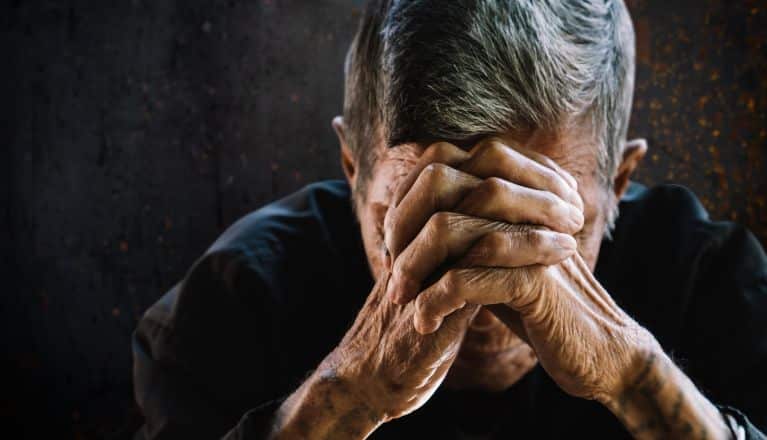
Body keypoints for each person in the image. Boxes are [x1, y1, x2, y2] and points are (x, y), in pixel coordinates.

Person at [132, 0, 767, 438]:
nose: (482, 292)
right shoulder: (238, 304)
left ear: (620, 184)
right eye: (417, 221)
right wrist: (345, 398)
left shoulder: (717, 287)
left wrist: (632, 375)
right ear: (353, 170)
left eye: (536, 220)